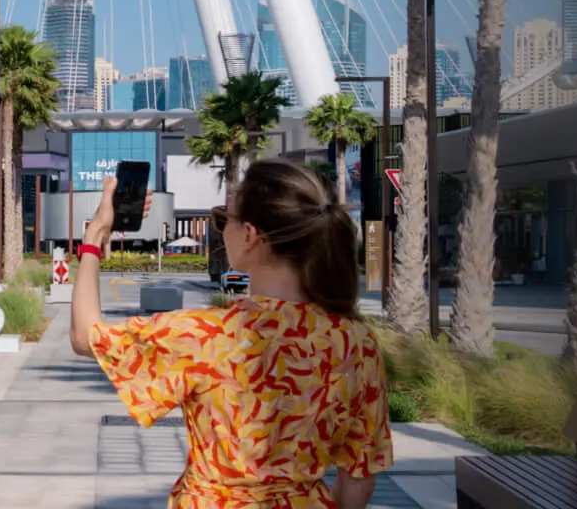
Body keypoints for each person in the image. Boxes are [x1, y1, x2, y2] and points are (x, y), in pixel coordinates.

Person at [70, 156, 392, 508]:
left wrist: (94, 236)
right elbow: (359, 476)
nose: (222, 229)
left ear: (251, 236)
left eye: (225, 219)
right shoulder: (355, 343)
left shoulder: (207, 334)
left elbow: (85, 336)